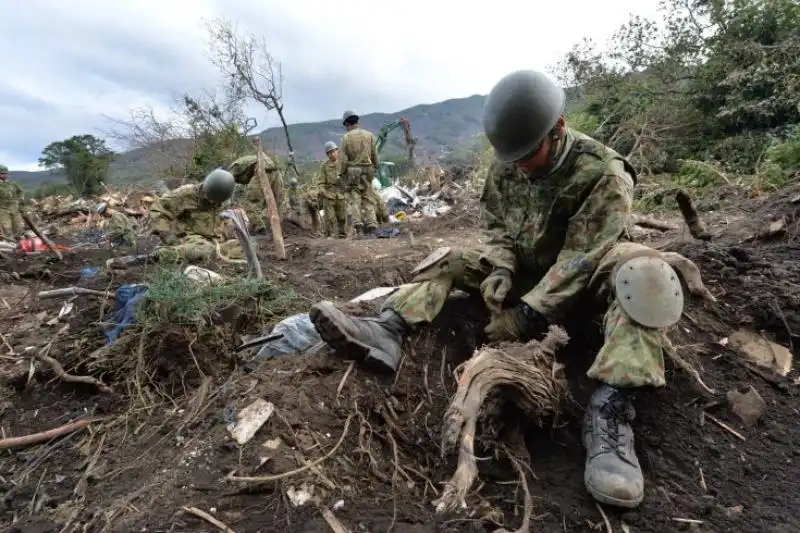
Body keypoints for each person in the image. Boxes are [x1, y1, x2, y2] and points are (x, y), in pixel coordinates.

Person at [309, 70, 707, 510]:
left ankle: (611, 412)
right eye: (511, 158)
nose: (518, 166)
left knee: (647, 274)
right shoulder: (508, 160)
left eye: (527, 155)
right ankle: (388, 329)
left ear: (557, 131)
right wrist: (500, 269)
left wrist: (525, 316)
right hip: (528, 271)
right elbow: (497, 225)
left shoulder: (603, 172)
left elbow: (582, 258)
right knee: (447, 259)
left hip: (585, 281)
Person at [147, 168, 242, 262]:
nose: (213, 202)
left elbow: (224, 219)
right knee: (203, 251)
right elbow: (158, 209)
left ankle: (216, 253)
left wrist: (232, 232)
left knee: (243, 247)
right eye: (210, 198)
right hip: (192, 239)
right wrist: (170, 238)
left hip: (217, 241)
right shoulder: (186, 194)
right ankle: (160, 254)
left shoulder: (223, 198)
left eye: (217, 201)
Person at [339, 110, 380, 236]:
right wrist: (375, 168)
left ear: (347, 124)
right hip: (368, 169)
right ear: (357, 121)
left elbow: (344, 160)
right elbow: (375, 156)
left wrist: (342, 173)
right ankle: (372, 225)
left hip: (353, 171)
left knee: (355, 199)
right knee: (369, 197)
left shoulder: (346, 138)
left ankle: (359, 228)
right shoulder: (370, 135)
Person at [228, 153, 285, 233]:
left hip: (261, 168)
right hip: (274, 168)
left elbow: (228, 186)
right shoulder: (243, 165)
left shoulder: (232, 169)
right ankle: (277, 227)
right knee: (277, 201)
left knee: (252, 200)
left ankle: (258, 229)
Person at [317, 141, 347, 238]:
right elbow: (321, 182)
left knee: (342, 216)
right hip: (329, 194)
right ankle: (331, 236)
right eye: (330, 153)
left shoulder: (343, 163)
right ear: (327, 154)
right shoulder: (324, 166)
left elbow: (349, 178)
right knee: (330, 217)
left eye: (333, 151)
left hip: (341, 194)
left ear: (337, 151)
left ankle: (342, 235)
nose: (332, 154)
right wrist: (323, 192)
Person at [0, 164, 25, 239]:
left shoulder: (13, 183)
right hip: (2, 209)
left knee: (18, 225)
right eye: (2, 173)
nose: (4, 175)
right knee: (6, 226)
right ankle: (8, 243)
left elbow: (21, 191)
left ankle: (20, 242)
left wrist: (21, 199)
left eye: (5, 173)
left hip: (14, 208)